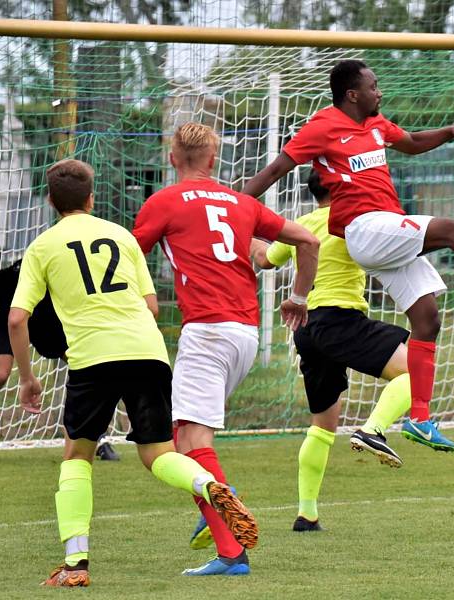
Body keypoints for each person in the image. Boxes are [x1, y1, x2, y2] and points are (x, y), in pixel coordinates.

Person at [243, 59, 454, 451]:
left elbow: (413, 143)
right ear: (353, 94)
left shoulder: (377, 126)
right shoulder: (322, 128)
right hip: (363, 229)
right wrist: (235, 205)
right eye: (373, 86)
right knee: (452, 230)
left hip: (386, 229)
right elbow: (276, 169)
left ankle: (419, 418)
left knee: (428, 319)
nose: (379, 92)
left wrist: (449, 132)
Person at [8, 158, 257, 587]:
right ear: (92, 198)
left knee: (77, 456)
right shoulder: (121, 236)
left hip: (93, 358)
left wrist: (27, 378)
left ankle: (75, 565)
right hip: (148, 351)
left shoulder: (44, 246)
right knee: (158, 455)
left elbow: (16, 318)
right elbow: (151, 305)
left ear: (50, 201)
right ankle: (209, 485)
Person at [132, 123, 319, 576]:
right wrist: (298, 296)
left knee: (191, 444)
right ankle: (212, 505)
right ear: (214, 160)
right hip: (245, 335)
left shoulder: (164, 201)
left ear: (172, 157)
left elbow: (128, 254)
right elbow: (308, 240)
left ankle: (232, 550)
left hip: (207, 332)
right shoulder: (243, 202)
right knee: (186, 440)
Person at [250, 170, 422, 532]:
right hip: (339, 320)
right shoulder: (353, 221)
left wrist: (245, 227)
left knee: (323, 425)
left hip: (306, 328)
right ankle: (373, 430)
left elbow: (265, 259)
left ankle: (307, 514)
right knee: (419, 368)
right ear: (339, 186)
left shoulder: (300, 223)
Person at [0, 260, 119, 463]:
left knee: (85, 367)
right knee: (0, 374)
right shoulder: (14, 274)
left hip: (44, 321)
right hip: (8, 320)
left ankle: (98, 438)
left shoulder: (65, 277)